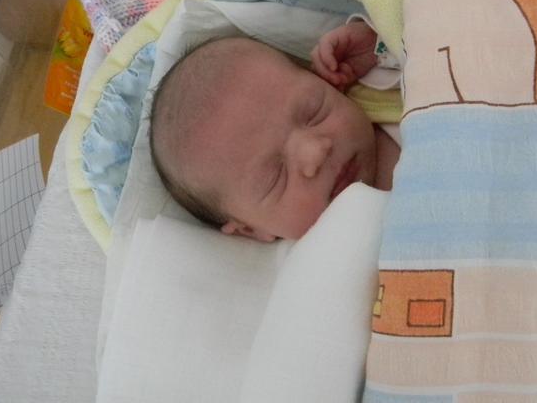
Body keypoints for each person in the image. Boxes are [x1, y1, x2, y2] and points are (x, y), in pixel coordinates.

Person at [150, 21, 401, 242]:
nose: (315, 151)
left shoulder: (382, 88)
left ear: (329, 83)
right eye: (276, 176)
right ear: (250, 229)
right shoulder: (323, 267)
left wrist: (377, 45)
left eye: (314, 112)